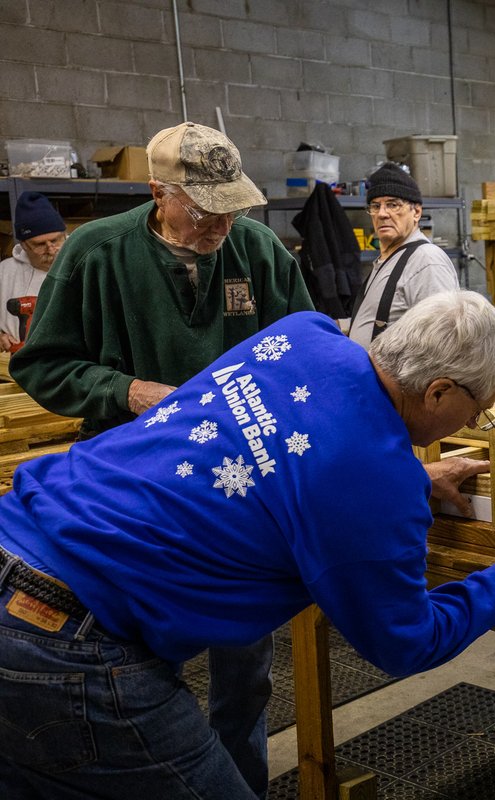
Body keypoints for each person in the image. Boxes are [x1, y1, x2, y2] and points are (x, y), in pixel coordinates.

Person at [0, 289, 495, 798]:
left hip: (17, 538)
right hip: (68, 639)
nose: (472, 426)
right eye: (479, 414)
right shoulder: (375, 484)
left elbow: (286, 452)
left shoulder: (304, 334)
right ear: (439, 392)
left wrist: (410, 480)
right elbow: (407, 641)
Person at [9, 121, 314, 798]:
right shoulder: (97, 252)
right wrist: (126, 390)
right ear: (157, 194)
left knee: (245, 666)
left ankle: (240, 785)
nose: (222, 227)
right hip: (134, 491)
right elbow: (43, 364)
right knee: (138, 660)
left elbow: (307, 357)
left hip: (238, 492)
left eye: (233, 208)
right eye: (205, 211)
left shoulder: (258, 251)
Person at [347, 162, 457, 347]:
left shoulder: (426, 261)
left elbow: (443, 342)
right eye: (375, 206)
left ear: (416, 212)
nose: (382, 214)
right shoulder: (390, 259)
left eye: (393, 205)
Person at [0, 192, 66, 351]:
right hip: (15, 361)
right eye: (40, 244)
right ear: (23, 245)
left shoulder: (85, 266)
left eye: (55, 240)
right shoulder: (4, 272)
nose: (51, 249)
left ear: (64, 234)